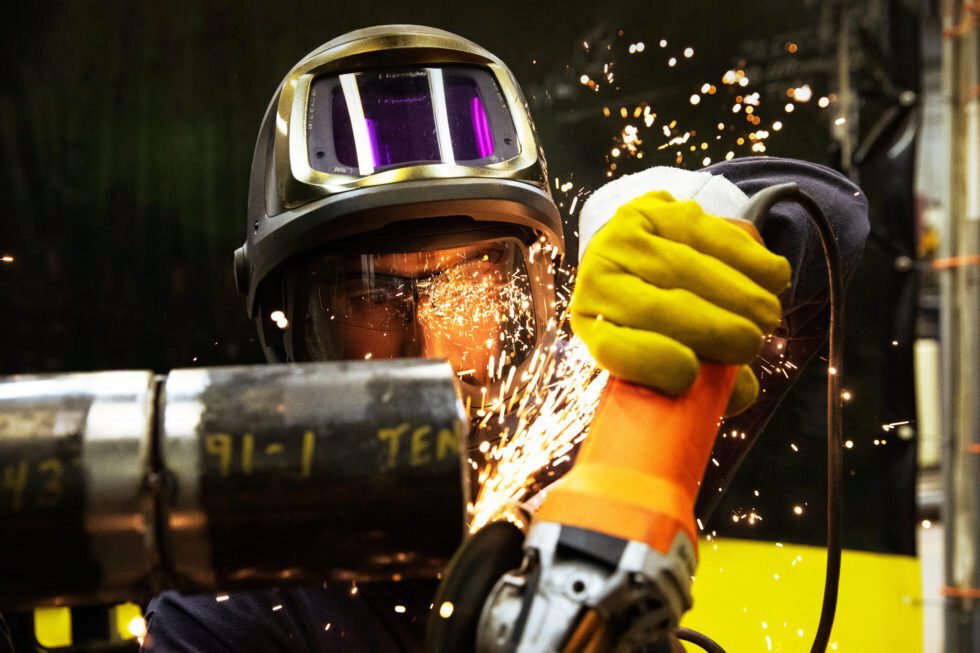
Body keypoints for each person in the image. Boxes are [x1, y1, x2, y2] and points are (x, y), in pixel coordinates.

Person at [143, 24, 868, 652]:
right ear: (290, 330)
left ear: (540, 289)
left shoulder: (596, 435)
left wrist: (690, 213)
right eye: (371, 296)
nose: (430, 344)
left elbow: (830, 219)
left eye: (470, 286)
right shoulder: (240, 601)